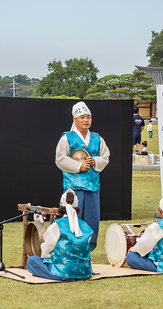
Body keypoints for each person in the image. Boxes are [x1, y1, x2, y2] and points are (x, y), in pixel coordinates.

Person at [55, 101, 110, 251]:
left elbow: (106, 156)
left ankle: (88, 250)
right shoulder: (67, 137)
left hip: (92, 187)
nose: (86, 120)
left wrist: (95, 160)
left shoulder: (97, 138)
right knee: (73, 220)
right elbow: (60, 159)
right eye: (82, 117)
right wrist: (79, 166)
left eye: (88, 117)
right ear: (74, 119)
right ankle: (71, 249)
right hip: (73, 188)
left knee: (92, 221)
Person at [26, 190, 94, 281]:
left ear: (60, 205)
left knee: (32, 261)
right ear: (77, 206)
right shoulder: (86, 227)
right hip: (85, 273)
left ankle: (62, 275)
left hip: (63, 272)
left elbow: (46, 250)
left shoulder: (57, 225)